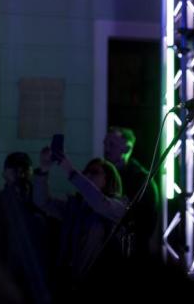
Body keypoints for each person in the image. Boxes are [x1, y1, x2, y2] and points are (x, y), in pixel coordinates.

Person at [33, 147, 127, 300]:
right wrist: (43, 169)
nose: (87, 175)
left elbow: (101, 204)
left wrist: (70, 170)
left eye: (94, 172)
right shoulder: (75, 207)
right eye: (86, 172)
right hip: (68, 286)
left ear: (109, 179)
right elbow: (42, 202)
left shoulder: (118, 207)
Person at [0, 152, 51, 304]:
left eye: (23, 169)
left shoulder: (40, 202)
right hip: (10, 276)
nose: (20, 174)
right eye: (15, 169)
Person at [103, 126, 159, 255]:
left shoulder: (140, 179)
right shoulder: (106, 173)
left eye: (111, 144)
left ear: (127, 149)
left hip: (132, 252)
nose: (106, 149)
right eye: (105, 144)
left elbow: (143, 222)